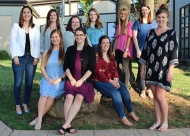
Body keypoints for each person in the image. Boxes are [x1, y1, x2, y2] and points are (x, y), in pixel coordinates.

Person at [139, 4, 178, 132]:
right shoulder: (151, 32)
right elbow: (145, 51)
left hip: (164, 69)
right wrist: (143, 69)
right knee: (155, 96)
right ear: (155, 18)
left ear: (167, 18)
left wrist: (170, 70)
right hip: (151, 68)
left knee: (161, 96)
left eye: (163, 17)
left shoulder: (171, 33)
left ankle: (165, 122)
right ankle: (158, 121)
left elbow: (173, 52)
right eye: (159, 17)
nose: (160, 19)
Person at [94, 35, 139, 127]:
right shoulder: (96, 56)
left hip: (112, 79)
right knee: (116, 93)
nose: (106, 45)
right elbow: (98, 73)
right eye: (103, 43)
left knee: (124, 90)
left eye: (107, 43)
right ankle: (122, 117)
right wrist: (110, 81)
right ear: (100, 45)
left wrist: (116, 79)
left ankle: (130, 112)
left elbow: (115, 69)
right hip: (99, 81)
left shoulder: (111, 56)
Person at [58, 27, 96, 135]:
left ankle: (64, 125)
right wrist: (71, 79)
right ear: (74, 36)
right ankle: (68, 125)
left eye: (81, 35)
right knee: (69, 97)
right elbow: (66, 67)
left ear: (85, 36)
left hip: (85, 81)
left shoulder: (90, 50)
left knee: (79, 98)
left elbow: (91, 68)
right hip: (71, 79)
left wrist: (81, 80)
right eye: (77, 35)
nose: (78, 37)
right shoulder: (70, 49)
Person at [29, 29, 65, 130]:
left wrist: (59, 79)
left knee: (51, 98)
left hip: (58, 81)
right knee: (44, 96)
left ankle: (37, 119)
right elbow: (42, 67)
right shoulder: (46, 52)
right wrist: (48, 78)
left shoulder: (64, 52)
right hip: (47, 79)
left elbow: (67, 69)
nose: (54, 39)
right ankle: (39, 120)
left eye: (56, 37)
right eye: (52, 37)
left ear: (60, 38)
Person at [10, 6, 40, 115]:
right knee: (18, 83)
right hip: (19, 58)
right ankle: (18, 104)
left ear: (31, 14)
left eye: (28, 12)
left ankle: (25, 103)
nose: (26, 14)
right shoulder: (16, 26)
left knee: (29, 83)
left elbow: (37, 43)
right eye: (24, 12)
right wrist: (15, 56)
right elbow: (13, 42)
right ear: (21, 14)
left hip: (31, 58)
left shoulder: (35, 27)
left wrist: (37, 57)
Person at [132, 4, 158, 99]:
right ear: (140, 12)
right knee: (142, 70)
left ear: (149, 11)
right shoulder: (137, 23)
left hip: (152, 51)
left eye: (146, 10)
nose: (144, 12)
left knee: (150, 70)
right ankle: (143, 89)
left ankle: (149, 89)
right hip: (141, 50)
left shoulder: (154, 23)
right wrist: (138, 49)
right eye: (142, 10)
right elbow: (134, 37)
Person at [113, 7, 133, 87]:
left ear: (127, 15)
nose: (123, 15)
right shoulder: (119, 26)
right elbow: (116, 39)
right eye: (121, 14)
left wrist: (126, 50)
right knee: (115, 67)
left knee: (125, 68)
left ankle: (126, 85)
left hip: (125, 50)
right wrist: (113, 50)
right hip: (117, 49)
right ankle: (118, 82)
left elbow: (129, 38)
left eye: (124, 14)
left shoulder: (129, 24)